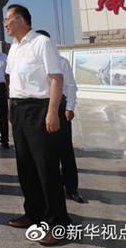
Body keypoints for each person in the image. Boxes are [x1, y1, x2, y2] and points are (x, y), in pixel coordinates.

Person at [5, 5, 71, 246]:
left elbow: (57, 78)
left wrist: (53, 112)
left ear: (21, 20)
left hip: (39, 110)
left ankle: (58, 223)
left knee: (46, 167)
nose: (5, 24)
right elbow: (12, 80)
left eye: (8, 20)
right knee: (26, 166)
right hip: (19, 110)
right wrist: (11, 107)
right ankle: (34, 214)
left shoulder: (42, 43)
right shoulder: (14, 47)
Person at [36, 30, 84, 204]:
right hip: (39, 107)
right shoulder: (32, 62)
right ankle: (48, 188)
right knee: (43, 149)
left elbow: (70, 85)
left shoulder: (61, 61)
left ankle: (71, 187)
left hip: (60, 107)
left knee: (64, 148)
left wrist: (70, 107)